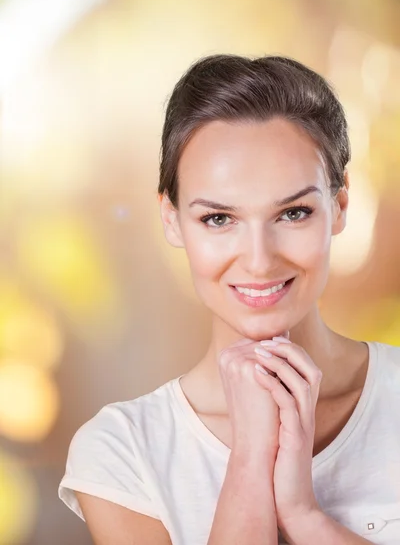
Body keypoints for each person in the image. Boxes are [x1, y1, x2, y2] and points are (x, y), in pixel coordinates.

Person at [58, 54, 400, 545]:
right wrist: (249, 462)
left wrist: (304, 515)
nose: (259, 261)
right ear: (172, 219)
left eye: (294, 213)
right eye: (219, 219)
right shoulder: (122, 451)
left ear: (339, 206)